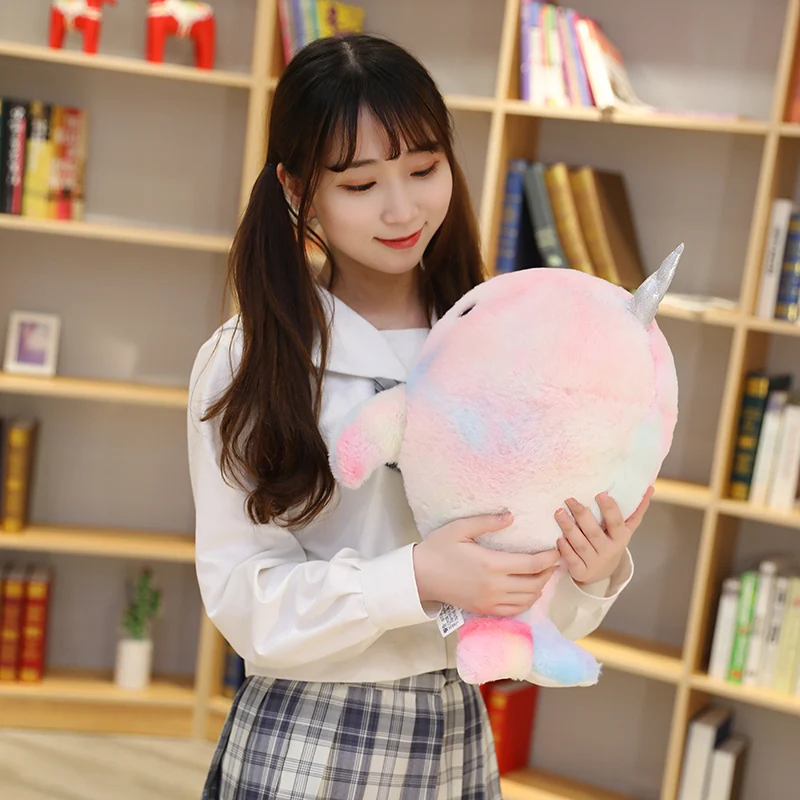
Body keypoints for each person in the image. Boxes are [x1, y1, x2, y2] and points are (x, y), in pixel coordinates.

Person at [187, 32, 651, 800]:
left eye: (425, 170)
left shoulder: (509, 342)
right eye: (361, 183)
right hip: (307, 736)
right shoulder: (249, 360)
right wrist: (413, 578)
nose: (401, 209)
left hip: (455, 733)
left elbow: (536, 617)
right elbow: (243, 600)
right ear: (298, 191)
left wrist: (589, 572)